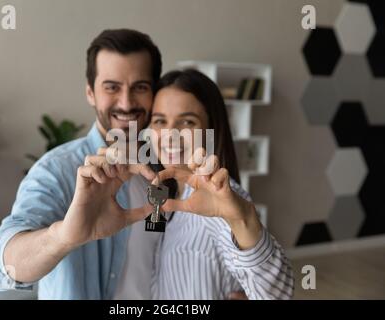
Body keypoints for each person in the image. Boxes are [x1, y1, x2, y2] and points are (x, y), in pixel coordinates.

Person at [0, 29, 162, 299]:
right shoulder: (56, 170)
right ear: (90, 93)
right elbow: (6, 263)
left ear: (154, 93)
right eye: (112, 87)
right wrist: (64, 237)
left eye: (140, 87)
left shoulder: (163, 168)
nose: (126, 103)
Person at [87, 69, 294, 299]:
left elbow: (276, 294)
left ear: (210, 129)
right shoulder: (167, 192)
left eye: (187, 121)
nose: (170, 134)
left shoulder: (221, 200)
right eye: (160, 121)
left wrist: (241, 220)